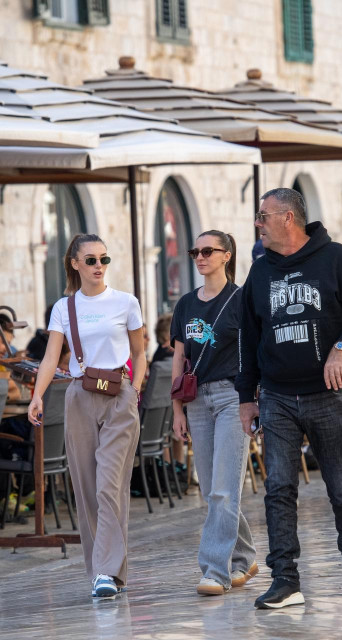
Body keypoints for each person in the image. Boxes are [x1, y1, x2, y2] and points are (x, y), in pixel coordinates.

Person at [236, 187, 342, 609]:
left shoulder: (336, 259)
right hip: (277, 397)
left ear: (288, 219)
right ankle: (285, 579)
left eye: (263, 215)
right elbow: (248, 338)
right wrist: (247, 397)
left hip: (329, 396)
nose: (257, 222)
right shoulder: (259, 274)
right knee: (278, 487)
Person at [27, 233, 145, 599]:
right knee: (87, 487)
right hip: (79, 395)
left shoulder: (126, 302)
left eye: (104, 259)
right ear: (75, 264)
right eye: (91, 260)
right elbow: (50, 358)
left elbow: (140, 352)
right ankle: (104, 573)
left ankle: (107, 570)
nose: (98, 266)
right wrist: (37, 396)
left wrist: (136, 390)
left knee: (110, 484)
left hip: (120, 396)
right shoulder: (64, 307)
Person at [171, 229, 256, 597]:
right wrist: (177, 410)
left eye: (208, 251)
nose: (200, 257)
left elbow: (255, 354)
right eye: (195, 251)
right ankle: (245, 557)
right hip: (196, 401)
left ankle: (214, 570)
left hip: (231, 397)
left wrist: (252, 400)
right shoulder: (186, 304)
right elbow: (179, 358)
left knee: (224, 488)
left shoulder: (241, 300)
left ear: (227, 255)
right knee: (211, 490)